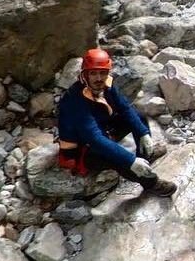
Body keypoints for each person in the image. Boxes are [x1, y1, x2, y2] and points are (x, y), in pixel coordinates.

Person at [58, 48, 170, 191]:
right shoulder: (74, 101)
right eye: (93, 73)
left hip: (104, 130)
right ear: (84, 74)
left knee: (139, 118)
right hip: (83, 148)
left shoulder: (107, 86)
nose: (99, 78)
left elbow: (125, 108)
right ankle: (151, 183)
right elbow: (95, 139)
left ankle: (145, 156)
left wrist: (143, 133)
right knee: (117, 159)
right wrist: (130, 160)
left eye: (103, 73)